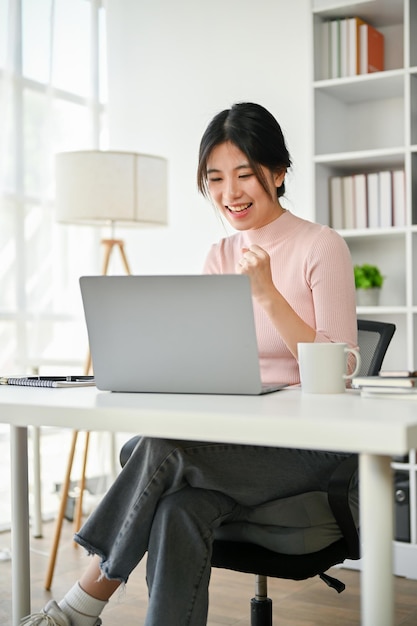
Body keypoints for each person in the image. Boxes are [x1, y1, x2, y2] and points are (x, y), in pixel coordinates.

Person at [23, 102, 358, 626]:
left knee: (153, 450)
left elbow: (339, 372)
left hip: (308, 445)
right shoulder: (220, 255)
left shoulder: (321, 246)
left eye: (245, 174)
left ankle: (79, 606)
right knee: (177, 503)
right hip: (235, 436)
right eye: (215, 178)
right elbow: (211, 361)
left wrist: (268, 295)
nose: (230, 193)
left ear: (277, 172)